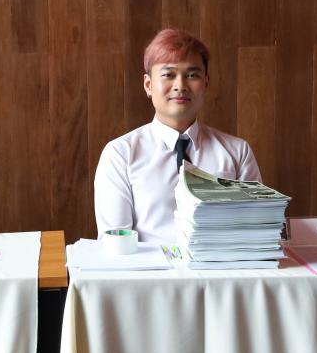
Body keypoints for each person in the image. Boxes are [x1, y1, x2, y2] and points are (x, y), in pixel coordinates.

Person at [93, 28, 260, 242]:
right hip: (147, 265)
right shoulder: (120, 154)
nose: (180, 86)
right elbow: (116, 245)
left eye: (192, 75)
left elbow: (255, 233)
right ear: (148, 85)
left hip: (221, 264)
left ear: (205, 83)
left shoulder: (237, 152)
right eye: (168, 75)